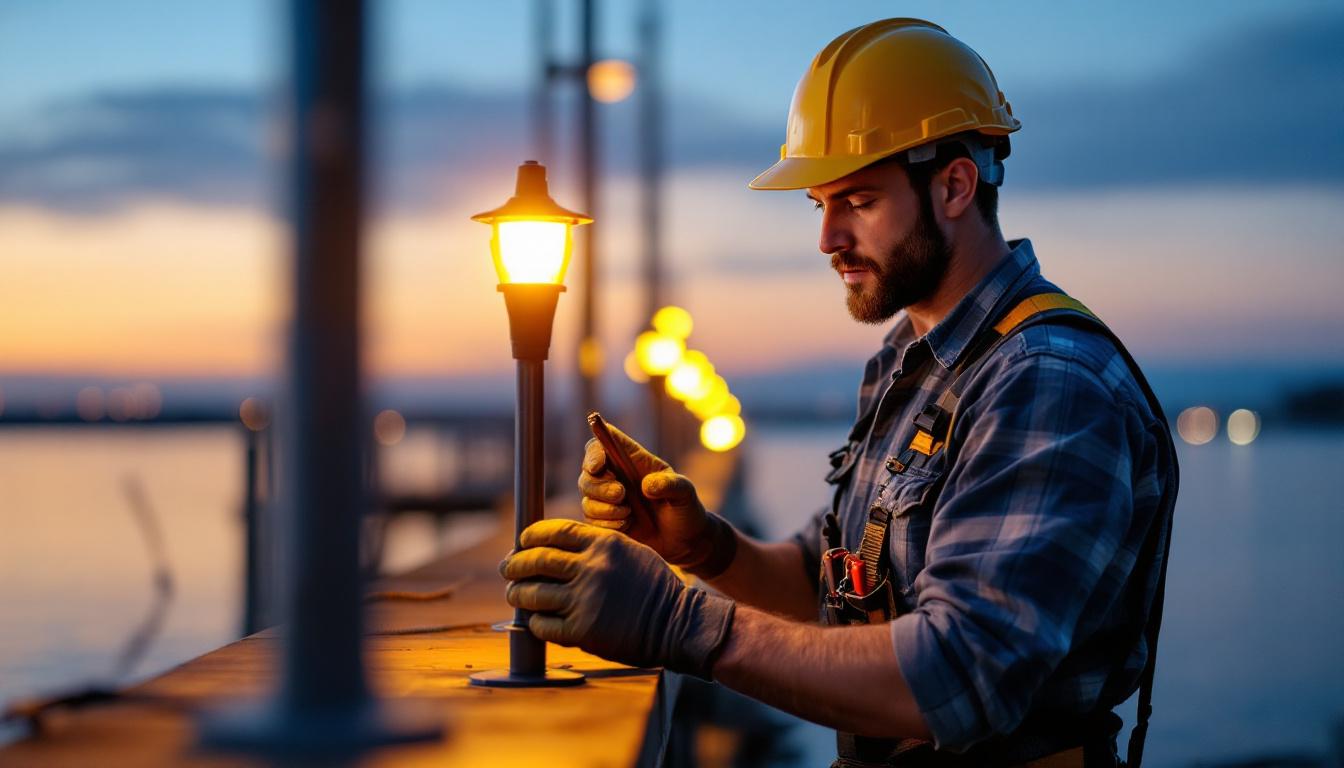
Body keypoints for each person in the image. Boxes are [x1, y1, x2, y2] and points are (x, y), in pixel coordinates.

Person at [500, 18, 1178, 768]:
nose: (827, 238)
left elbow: (959, 675)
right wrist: (703, 546)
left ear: (955, 184)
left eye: (857, 200)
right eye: (818, 204)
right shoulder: (909, 361)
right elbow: (839, 591)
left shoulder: (1046, 381)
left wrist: (676, 619)